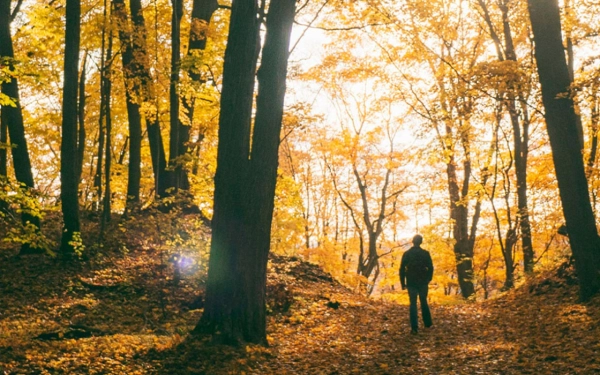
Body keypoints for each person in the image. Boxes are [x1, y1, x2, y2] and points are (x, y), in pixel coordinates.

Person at [399, 234, 433, 334]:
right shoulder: (425, 253)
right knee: (423, 301)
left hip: (411, 281)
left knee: (413, 303)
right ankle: (427, 323)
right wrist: (428, 279)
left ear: (413, 241)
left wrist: (403, 283)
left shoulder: (407, 254)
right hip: (423, 281)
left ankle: (414, 327)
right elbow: (430, 267)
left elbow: (402, 269)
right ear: (421, 242)